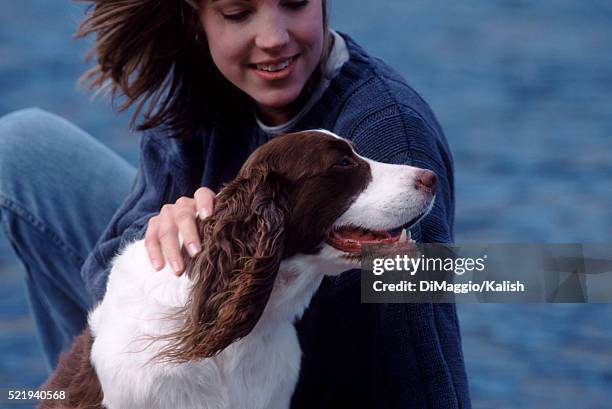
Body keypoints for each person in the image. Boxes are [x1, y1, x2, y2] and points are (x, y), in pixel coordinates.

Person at [0, 0, 470, 407]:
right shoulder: (200, 87)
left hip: (300, 367)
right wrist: (161, 236)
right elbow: (105, 271)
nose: (273, 38)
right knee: (23, 146)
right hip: (217, 317)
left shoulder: (389, 127)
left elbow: (422, 320)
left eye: (295, 2)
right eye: (238, 12)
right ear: (197, 17)